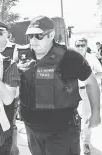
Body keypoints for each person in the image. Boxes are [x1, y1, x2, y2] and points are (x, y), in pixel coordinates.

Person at [17, 15, 101, 155]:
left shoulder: (70, 57)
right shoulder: (23, 55)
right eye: (30, 36)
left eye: (39, 35)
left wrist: (96, 112)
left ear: (51, 35)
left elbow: (91, 83)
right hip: (32, 129)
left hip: (62, 131)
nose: (33, 40)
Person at [0, 21, 19, 155]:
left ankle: (12, 151)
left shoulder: (15, 49)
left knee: (10, 125)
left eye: (0, 33)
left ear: (7, 34)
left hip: (10, 94)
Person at [74, 37, 102, 154]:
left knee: (86, 118)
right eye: (78, 45)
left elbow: (100, 72)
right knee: (72, 117)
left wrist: (90, 77)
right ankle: (74, 140)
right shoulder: (70, 58)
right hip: (72, 91)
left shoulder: (92, 58)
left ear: (86, 46)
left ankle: (85, 142)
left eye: (83, 45)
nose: (80, 47)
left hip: (86, 91)